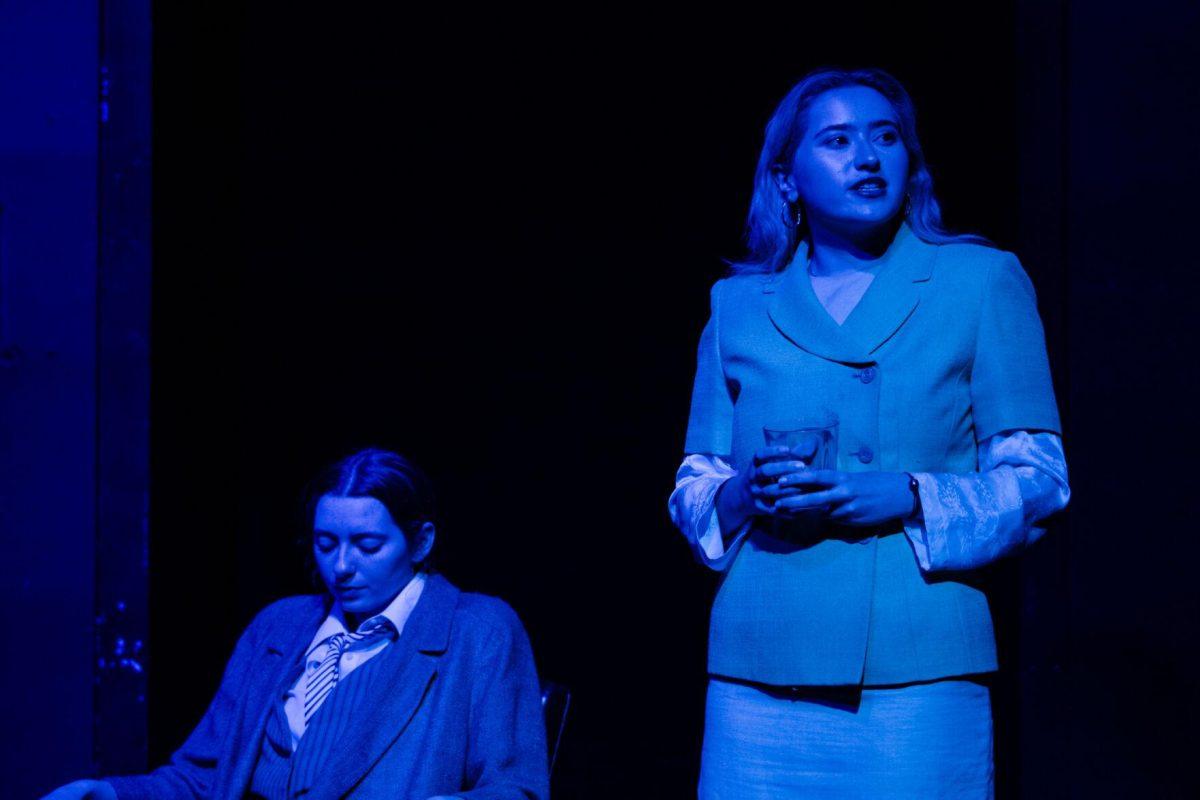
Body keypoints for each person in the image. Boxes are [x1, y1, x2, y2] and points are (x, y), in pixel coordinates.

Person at [668, 67, 1070, 799]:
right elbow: (695, 485)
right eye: (838, 140)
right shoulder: (738, 306)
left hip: (914, 667)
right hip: (758, 668)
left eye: (887, 136)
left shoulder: (979, 280)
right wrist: (745, 496)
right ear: (787, 178)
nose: (867, 157)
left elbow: (1039, 478)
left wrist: (910, 495)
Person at [44, 448, 549, 800]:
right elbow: (203, 779)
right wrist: (108, 793)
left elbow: (515, 788)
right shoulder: (280, 627)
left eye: (368, 546)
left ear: (419, 543)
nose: (343, 566)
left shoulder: (477, 630)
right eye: (325, 544)